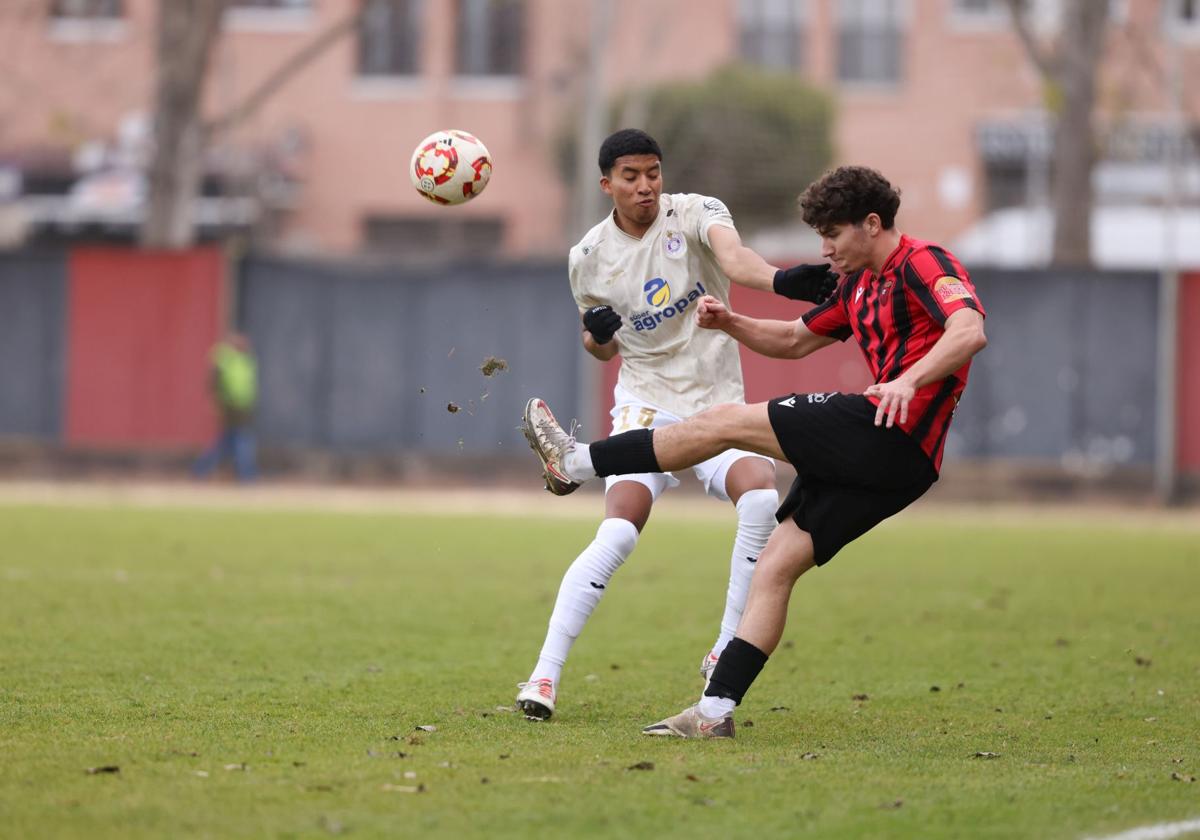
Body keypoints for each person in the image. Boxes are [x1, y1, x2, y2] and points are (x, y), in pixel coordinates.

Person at [522, 165, 988, 737]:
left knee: (725, 422)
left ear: (871, 224)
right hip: (900, 466)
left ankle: (576, 463)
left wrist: (907, 381)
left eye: (833, 235)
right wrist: (732, 322)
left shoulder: (922, 262)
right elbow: (793, 339)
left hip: (888, 427)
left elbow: (967, 330)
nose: (825, 249)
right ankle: (714, 713)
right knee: (776, 566)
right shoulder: (858, 285)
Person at [513, 128, 838, 721]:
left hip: (718, 404)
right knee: (616, 535)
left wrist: (787, 281)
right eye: (631, 177)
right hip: (647, 407)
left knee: (763, 500)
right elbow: (598, 349)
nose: (646, 186)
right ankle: (543, 677)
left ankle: (722, 649)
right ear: (607, 184)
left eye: (653, 173)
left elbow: (738, 261)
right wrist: (601, 335)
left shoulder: (695, 212)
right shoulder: (586, 258)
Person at [193, 332, 258, 483]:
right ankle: (246, 476)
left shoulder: (243, 359)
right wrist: (216, 402)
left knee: (228, 441)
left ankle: (201, 468)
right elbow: (214, 383)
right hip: (232, 406)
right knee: (242, 441)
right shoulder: (226, 359)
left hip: (242, 406)